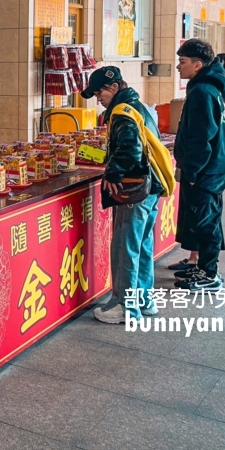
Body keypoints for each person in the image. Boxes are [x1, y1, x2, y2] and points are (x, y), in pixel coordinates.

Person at [81, 67, 164, 324]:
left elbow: (130, 147)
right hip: (151, 186)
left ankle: (124, 307)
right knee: (141, 244)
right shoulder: (136, 105)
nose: (98, 99)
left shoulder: (121, 111)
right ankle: (144, 300)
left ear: (115, 87)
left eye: (100, 92)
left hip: (133, 189)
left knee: (124, 246)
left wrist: (114, 174)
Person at [173, 39, 225, 292]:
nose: (178, 66)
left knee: (206, 221)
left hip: (207, 169)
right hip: (213, 166)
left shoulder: (202, 92)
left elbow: (202, 136)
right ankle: (203, 267)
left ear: (197, 65)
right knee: (204, 218)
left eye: (183, 62)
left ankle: (210, 274)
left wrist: (194, 170)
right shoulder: (206, 88)